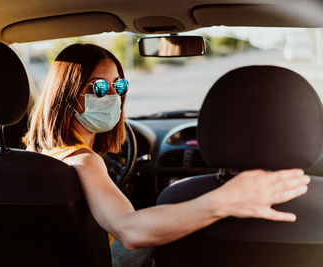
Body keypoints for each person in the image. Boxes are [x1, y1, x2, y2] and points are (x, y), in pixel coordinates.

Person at [24, 43, 310, 262]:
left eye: (119, 86)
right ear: (67, 94)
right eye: (98, 87)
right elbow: (132, 231)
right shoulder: (84, 160)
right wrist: (226, 200)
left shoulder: (34, 156)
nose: (112, 95)